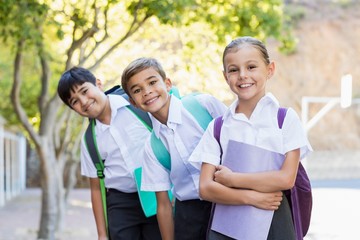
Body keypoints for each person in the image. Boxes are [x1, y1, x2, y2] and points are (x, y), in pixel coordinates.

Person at [121, 57, 284, 240]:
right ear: (133, 102)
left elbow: (242, 138)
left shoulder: (202, 105)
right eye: (137, 90)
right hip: (189, 217)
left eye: (152, 82)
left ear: (167, 84)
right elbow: (164, 206)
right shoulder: (152, 147)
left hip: (231, 201)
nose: (147, 91)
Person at [189, 36, 313, 240]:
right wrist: (251, 197)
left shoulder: (284, 119)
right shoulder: (219, 127)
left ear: (270, 69)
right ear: (225, 76)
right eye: (234, 70)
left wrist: (232, 179)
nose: (243, 75)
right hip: (228, 224)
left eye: (251, 67)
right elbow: (205, 188)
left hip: (274, 218)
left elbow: (286, 178)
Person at [57, 67, 161, 240]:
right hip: (121, 203)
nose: (83, 101)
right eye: (74, 101)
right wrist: (101, 234)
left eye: (84, 91)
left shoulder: (136, 106)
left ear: (98, 84)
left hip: (157, 192)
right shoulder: (90, 140)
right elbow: (96, 189)